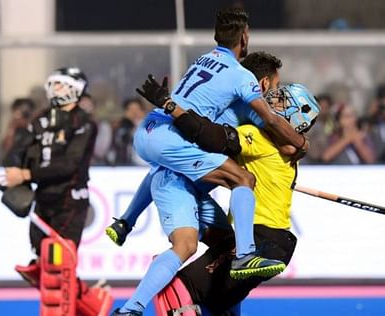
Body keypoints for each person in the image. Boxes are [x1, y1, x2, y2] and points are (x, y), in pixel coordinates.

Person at [109, 48, 310, 315]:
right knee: (186, 245)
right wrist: (171, 107)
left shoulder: (246, 112)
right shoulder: (251, 120)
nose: (275, 95)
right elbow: (215, 137)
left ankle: (235, 262)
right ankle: (131, 309)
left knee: (227, 243)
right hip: (176, 184)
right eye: (275, 87)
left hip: (189, 186)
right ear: (262, 84)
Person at [3, 67, 111, 315]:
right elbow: (18, 151)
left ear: (75, 89)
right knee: (43, 266)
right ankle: (93, 302)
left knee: (59, 265)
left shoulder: (84, 123)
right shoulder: (40, 120)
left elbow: (70, 164)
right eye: (54, 84)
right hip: (42, 200)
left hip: (70, 200)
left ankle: (82, 305)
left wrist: (27, 174)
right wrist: (12, 170)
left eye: (61, 85)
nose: (55, 89)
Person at [110, 97, 147, 165]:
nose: (134, 112)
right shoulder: (122, 127)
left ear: (143, 111)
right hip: (125, 165)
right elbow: (119, 143)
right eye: (130, 109)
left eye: (136, 109)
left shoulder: (149, 127)